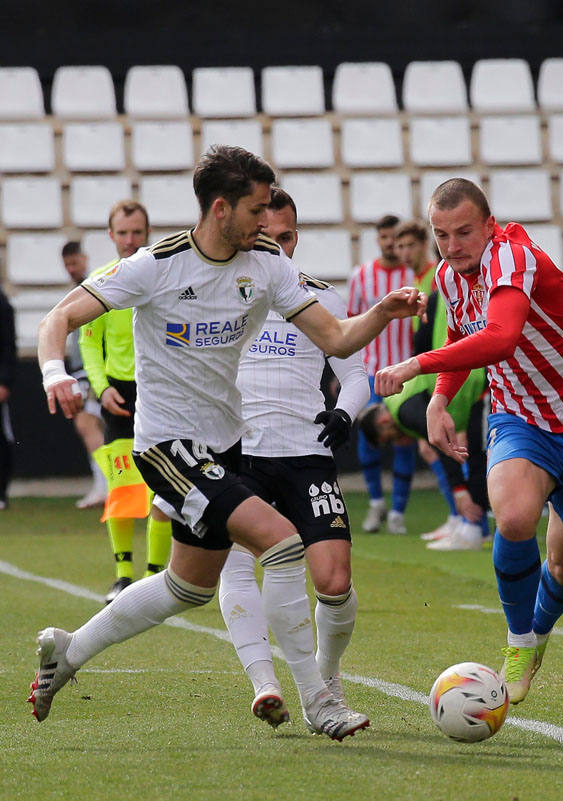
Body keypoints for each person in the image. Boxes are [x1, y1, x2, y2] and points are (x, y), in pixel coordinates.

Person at [31, 145, 425, 739]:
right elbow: (55, 319)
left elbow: (339, 341)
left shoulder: (265, 265)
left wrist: (384, 313)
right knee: (283, 541)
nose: (267, 224)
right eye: (258, 210)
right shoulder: (155, 266)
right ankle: (319, 700)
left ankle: (70, 650)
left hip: (224, 447)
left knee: (186, 587)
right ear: (222, 209)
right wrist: (54, 374)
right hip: (168, 446)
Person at [374, 178, 563, 705]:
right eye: (443, 235)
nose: (453, 245)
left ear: (489, 225)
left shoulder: (512, 256)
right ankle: (517, 644)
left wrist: (415, 366)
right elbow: (463, 337)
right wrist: (440, 399)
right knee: (511, 518)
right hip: (519, 414)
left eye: (465, 231)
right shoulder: (448, 273)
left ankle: (539, 631)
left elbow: (501, 336)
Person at [216, 187, 372, 729]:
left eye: (286, 238)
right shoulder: (223, 291)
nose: (277, 248)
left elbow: (356, 374)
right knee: (237, 565)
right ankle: (266, 684)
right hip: (241, 454)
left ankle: (326, 678)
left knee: (334, 580)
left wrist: (346, 413)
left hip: (307, 453)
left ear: (296, 238)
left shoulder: (321, 298)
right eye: (266, 238)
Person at [78, 201, 175, 604]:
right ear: (111, 235)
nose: (131, 240)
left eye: (137, 232)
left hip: (162, 395)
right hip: (119, 396)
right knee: (123, 490)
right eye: (123, 233)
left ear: (147, 232)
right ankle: (122, 576)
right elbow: (88, 342)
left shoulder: (165, 279)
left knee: (163, 493)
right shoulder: (100, 282)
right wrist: (102, 389)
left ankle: (156, 578)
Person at [355, 365, 488, 551]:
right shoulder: (398, 402)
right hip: (473, 387)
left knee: (476, 457)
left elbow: (442, 443)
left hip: (479, 386)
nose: (397, 441)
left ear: (383, 422)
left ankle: (474, 529)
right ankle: (469, 526)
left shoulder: (404, 411)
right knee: (475, 455)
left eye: (389, 438)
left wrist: (459, 490)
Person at [347, 215, 418, 535]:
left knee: (405, 442)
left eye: (395, 238)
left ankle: (398, 512)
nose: (391, 244)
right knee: (368, 440)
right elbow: (350, 323)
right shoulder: (361, 276)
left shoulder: (413, 273)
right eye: (386, 238)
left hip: (408, 374)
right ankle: (376, 503)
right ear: (378, 240)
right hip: (373, 372)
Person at [395, 218, 465, 539]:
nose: (404, 252)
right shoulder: (419, 280)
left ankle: (466, 518)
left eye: (410, 244)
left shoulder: (436, 281)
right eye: (400, 246)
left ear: (425, 245)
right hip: (431, 373)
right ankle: (457, 516)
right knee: (436, 445)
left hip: (444, 372)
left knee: (447, 443)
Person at [60, 242, 108, 509]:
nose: (71, 269)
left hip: (91, 371)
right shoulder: (80, 290)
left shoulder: (93, 289)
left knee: (86, 423)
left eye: (74, 263)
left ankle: (106, 486)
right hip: (83, 371)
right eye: (67, 265)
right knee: (94, 426)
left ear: (85, 259)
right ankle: (105, 485)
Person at [0, 281, 13, 510]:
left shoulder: (2, 303)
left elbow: (8, 345)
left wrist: (4, 381)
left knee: (1, 436)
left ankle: (1, 492)